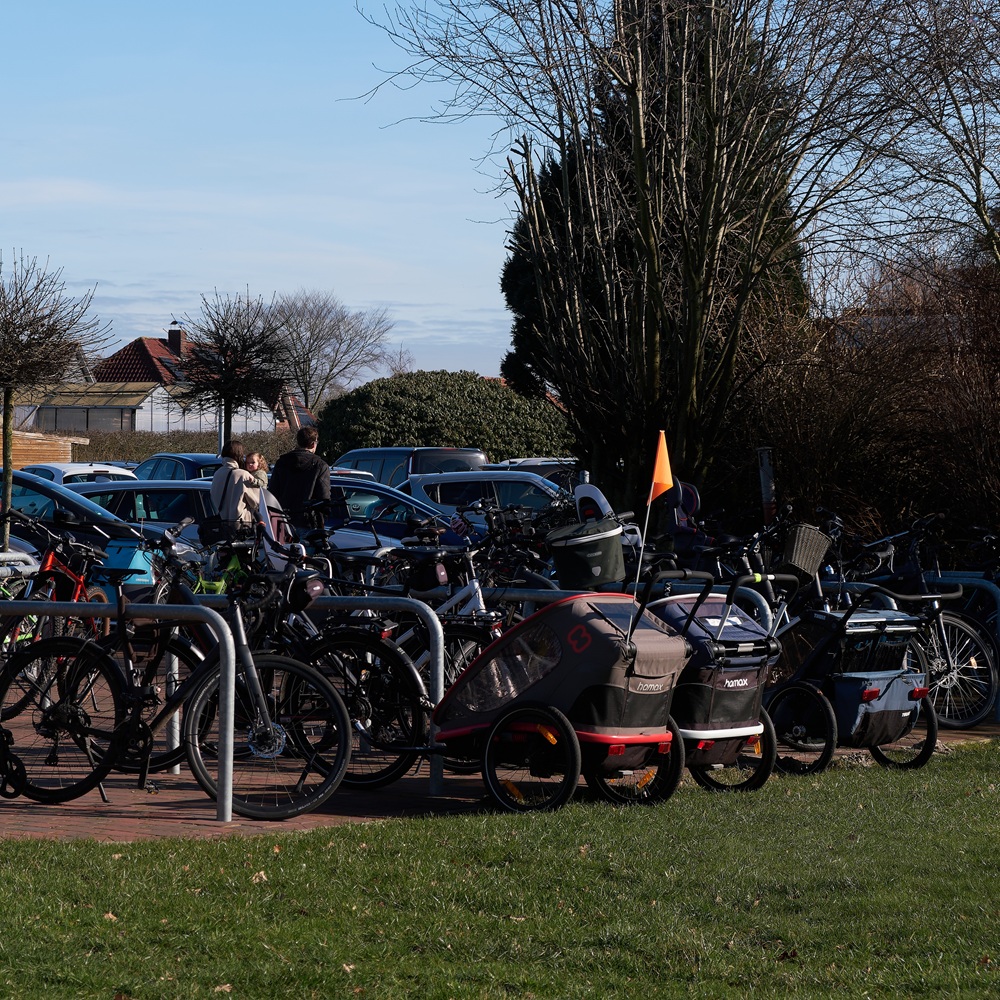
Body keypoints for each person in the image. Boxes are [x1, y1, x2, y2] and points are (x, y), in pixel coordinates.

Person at [268, 426, 330, 532]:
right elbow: (324, 498)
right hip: (308, 522)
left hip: (283, 521)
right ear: (313, 444)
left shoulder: (282, 462)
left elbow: (273, 492)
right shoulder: (319, 465)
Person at [210, 439, 260, 535]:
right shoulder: (243, 475)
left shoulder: (217, 473)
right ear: (239, 455)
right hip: (242, 526)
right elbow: (256, 502)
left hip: (222, 524)